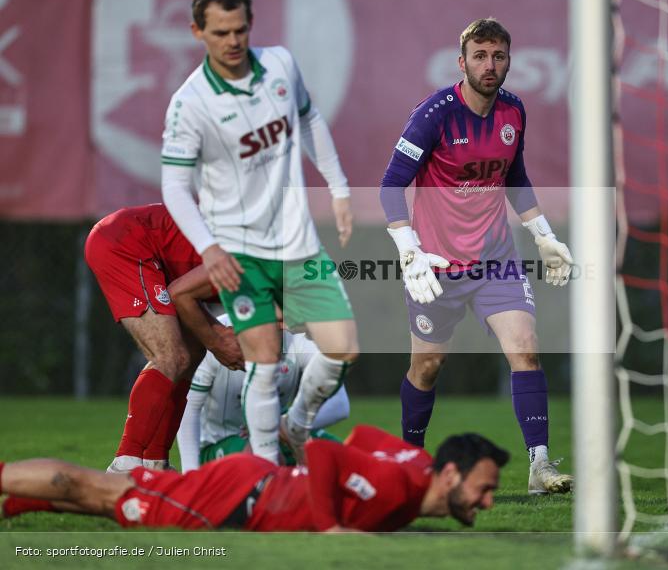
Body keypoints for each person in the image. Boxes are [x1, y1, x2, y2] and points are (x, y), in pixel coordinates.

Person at [160, 0, 359, 466]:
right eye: (221, 32)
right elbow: (174, 188)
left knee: (342, 347)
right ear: (197, 32)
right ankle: (264, 474)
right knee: (265, 363)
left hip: (299, 243)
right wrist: (209, 248)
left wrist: (338, 188)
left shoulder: (280, 66)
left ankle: (297, 425)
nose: (233, 41)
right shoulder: (190, 105)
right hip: (241, 251)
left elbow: (310, 121)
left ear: (251, 25)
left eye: (241, 30)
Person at [379, 18, 573, 494]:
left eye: (499, 56)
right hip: (436, 266)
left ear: (510, 60)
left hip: (496, 261)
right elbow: (390, 185)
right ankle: (412, 462)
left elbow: (516, 176)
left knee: (525, 349)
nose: (490, 65)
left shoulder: (514, 111)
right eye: (480, 56)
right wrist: (410, 252)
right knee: (427, 367)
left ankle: (540, 466)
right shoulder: (434, 114)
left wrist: (542, 234)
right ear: (461, 62)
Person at [0, 426, 507, 532]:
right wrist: (329, 526)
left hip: (252, 483)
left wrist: (320, 488)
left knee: (112, 501)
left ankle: (19, 504)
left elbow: (364, 436)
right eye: (484, 488)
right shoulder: (398, 489)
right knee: (94, 489)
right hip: (233, 501)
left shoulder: (415, 462)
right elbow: (329, 451)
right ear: (448, 474)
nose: (487, 503)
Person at [84, 203, 243, 473]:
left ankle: (156, 464)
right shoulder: (250, 265)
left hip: (158, 257)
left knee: (191, 355)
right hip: (126, 241)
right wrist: (217, 341)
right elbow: (181, 293)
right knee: (171, 356)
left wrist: (214, 338)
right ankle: (125, 464)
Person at [176, 314, 350, 471]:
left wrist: (287, 424)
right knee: (257, 462)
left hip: (279, 428)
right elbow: (189, 408)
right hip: (223, 440)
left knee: (343, 458)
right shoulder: (215, 335)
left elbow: (339, 404)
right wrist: (190, 474)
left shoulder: (297, 334)